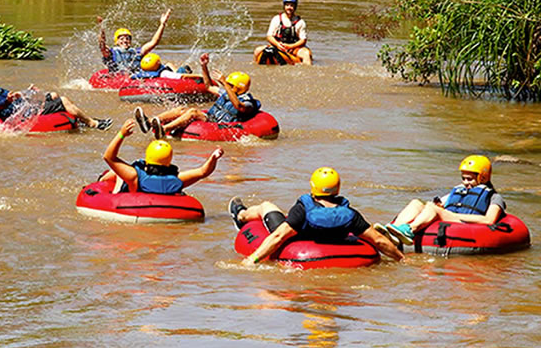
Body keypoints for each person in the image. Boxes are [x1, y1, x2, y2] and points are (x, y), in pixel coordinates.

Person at [228, 167, 404, 266]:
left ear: (313, 187)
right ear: (338, 189)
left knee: (267, 206)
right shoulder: (350, 214)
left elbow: (278, 237)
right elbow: (379, 240)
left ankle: (241, 215)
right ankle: (242, 214)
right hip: (334, 240)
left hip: (299, 239)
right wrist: (401, 259)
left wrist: (252, 260)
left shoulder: (302, 210)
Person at [380, 155, 506, 246]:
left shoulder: (494, 197)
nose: (466, 183)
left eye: (470, 179)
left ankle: (410, 230)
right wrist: (438, 206)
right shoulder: (459, 190)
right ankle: (393, 231)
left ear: (483, 178)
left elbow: (489, 220)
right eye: (464, 179)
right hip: (449, 217)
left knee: (432, 207)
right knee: (416, 203)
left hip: (463, 222)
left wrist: (454, 215)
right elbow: (436, 204)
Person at [134, 53, 260, 139]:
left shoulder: (248, 102)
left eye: (231, 85)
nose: (228, 86)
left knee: (193, 112)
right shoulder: (227, 92)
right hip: (211, 118)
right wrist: (204, 66)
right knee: (181, 109)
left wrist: (224, 83)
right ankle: (149, 122)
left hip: (220, 125)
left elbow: (239, 106)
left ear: (239, 87)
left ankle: (164, 129)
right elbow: (208, 87)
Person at [99, 119, 224, 193]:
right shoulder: (177, 179)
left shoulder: (134, 177)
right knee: (121, 171)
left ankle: (101, 180)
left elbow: (109, 157)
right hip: (166, 206)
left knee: (119, 173)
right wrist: (213, 158)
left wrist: (121, 134)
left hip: (129, 201)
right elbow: (203, 172)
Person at [0, 70, 112, 130]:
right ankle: (93, 123)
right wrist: (7, 101)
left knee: (54, 95)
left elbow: (15, 98)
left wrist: (30, 93)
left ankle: (82, 120)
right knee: (63, 100)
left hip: (23, 107)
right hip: (21, 115)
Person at [97, 9, 171, 74]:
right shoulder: (111, 53)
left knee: (169, 65)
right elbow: (102, 45)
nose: (125, 41)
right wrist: (101, 28)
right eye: (121, 39)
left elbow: (154, 42)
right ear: (117, 42)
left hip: (135, 77)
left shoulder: (137, 52)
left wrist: (162, 24)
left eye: (127, 38)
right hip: (118, 78)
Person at [254, 0, 313, 65]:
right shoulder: (276, 19)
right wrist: (278, 44)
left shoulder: (300, 22)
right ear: (284, 6)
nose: (289, 7)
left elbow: (303, 40)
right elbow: (269, 36)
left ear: (295, 7)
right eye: (287, 5)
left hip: (294, 47)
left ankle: (307, 71)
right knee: (257, 50)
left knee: (306, 54)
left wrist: (291, 46)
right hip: (278, 45)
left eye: (291, 5)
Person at [129, 53, 203, 81]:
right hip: (175, 77)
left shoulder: (143, 73)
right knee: (183, 69)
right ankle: (186, 70)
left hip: (167, 73)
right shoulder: (164, 73)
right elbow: (182, 76)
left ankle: (176, 69)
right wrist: (200, 76)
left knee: (169, 64)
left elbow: (131, 77)